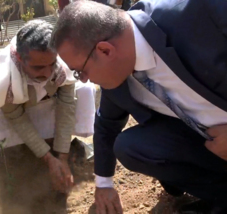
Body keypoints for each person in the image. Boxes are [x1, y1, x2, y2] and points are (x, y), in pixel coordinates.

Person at [50, 0, 227, 213]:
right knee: (131, 146)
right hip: (215, 147)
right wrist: (104, 184)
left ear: (105, 51)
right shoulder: (119, 76)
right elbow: (106, 126)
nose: (84, 80)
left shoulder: (201, 13)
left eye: (80, 71)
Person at [0, 19, 97, 193]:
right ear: (20, 58)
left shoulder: (61, 63)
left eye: (51, 65)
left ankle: (72, 147)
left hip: (47, 102)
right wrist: (49, 159)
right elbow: (17, 118)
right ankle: (18, 158)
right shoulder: (1, 77)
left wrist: (62, 158)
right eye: (38, 68)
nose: (48, 73)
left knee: (86, 90)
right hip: (18, 111)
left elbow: (66, 106)